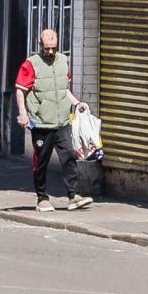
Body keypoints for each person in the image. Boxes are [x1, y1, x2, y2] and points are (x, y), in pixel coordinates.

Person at [13, 28, 92, 213]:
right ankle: (42, 198)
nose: (49, 52)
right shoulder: (30, 64)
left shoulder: (64, 61)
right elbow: (20, 90)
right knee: (41, 161)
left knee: (69, 157)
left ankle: (73, 196)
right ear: (39, 44)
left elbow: (63, 89)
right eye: (46, 48)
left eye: (53, 48)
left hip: (62, 121)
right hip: (41, 123)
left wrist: (77, 103)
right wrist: (23, 114)